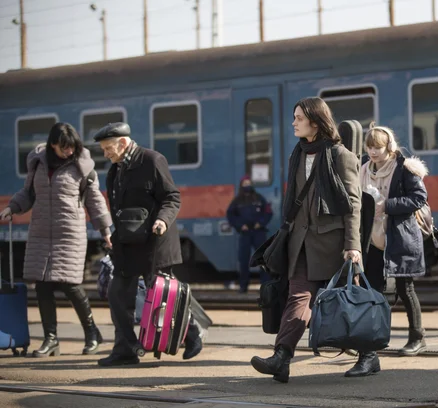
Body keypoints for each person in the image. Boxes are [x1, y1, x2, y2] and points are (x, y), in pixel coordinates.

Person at [250, 97, 362, 383]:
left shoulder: (341, 156)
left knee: (349, 301)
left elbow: (353, 204)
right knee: (297, 298)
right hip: (300, 242)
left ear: (315, 121)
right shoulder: (297, 154)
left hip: (333, 245)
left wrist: (352, 245)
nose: (294, 123)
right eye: (294, 117)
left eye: (298, 118)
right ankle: (282, 357)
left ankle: (368, 355)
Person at [92, 122, 204, 366]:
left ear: (123, 143)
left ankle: (193, 334)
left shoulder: (152, 160)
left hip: (155, 243)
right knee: (117, 294)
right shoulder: (115, 170)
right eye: (103, 149)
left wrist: (162, 220)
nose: (105, 153)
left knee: (163, 298)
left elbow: (172, 197)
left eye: (108, 148)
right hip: (127, 245)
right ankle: (125, 349)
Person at [0, 122, 111, 357]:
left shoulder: (82, 166)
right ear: (52, 145)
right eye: (64, 147)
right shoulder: (39, 164)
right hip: (40, 231)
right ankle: (51, 339)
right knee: (42, 285)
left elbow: (94, 199)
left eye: (72, 147)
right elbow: (28, 193)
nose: (69, 151)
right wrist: (12, 207)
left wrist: (105, 230)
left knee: (70, 285)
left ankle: (92, 332)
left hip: (69, 233)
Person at [358, 123, 429, 367]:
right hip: (373, 239)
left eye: (377, 147)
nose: (373, 152)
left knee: (405, 289)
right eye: (369, 147)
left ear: (389, 147)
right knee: (373, 292)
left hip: (400, 237)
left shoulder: (405, 168)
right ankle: (373, 342)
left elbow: (419, 198)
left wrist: (387, 205)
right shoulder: (364, 169)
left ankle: (417, 338)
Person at [227, 175, 273, 293]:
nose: (247, 186)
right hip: (245, 234)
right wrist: (240, 225)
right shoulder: (237, 201)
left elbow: (268, 212)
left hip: (258, 233)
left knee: (263, 259)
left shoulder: (259, 198)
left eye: (249, 183)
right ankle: (243, 287)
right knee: (244, 261)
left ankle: (266, 286)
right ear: (241, 186)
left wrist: (261, 223)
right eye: (245, 184)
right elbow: (231, 216)